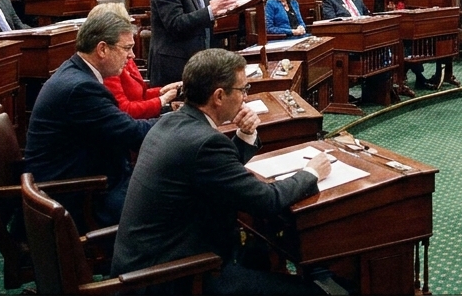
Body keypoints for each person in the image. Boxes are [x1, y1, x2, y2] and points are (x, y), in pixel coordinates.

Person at [111, 48, 330, 296]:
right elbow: (266, 201)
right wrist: (311, 173)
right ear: (218, 96)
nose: (245, 98)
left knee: (259, 252)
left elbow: (216, 174)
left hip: (152, 261)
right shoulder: (204, 143)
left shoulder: (172, 121)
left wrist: (245, 136)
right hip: (174, 277)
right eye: (243, 90)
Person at [23, 10, 155, 226]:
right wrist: (181, 119)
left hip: (91, 177)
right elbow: (131, 133)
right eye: (127, 48)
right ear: (102, 48)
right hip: (82, 195)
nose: (131, 56)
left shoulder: (77, 71)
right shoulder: (81, 88)